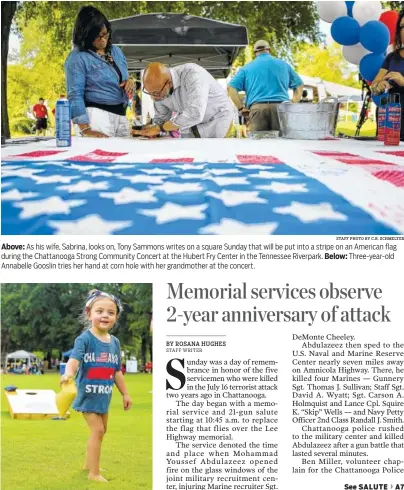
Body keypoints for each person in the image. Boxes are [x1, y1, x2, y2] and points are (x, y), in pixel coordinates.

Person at [60, 290, 132, 483]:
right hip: (88, 395)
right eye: (99, 311)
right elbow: (74, 361)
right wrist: (68, 373)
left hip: (104, 396)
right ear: (88, 314)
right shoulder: (85, 339)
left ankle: (89, 463)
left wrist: (125, 393)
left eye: (111, 312)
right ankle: (94, 473)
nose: (105, 315)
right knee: (97, 431)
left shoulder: (115, 342)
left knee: (101, 431)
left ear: (116, 317)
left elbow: (116, 371)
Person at [64, 6, 134, 138]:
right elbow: (75, 95)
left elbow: (124, 78)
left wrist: (130, 83)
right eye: (97, 37)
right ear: (86, 36)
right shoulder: (77, 58)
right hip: (96, 117)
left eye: (105, 34)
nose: (103, 39)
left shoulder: (116, 51)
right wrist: (85, 129)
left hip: (121, 114)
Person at [136, 62, 234, 138]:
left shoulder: (193, 74)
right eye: (149, 93)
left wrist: (160, 128)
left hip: (218, 120)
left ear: (168, 84)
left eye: (156, 93)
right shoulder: (159, 89)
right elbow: (161, 120)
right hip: (191, 128)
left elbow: (195, 113)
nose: (153, 98)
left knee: (213, 158)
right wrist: (150, 130)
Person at [227, 40, 304, 132]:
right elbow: (299, 84)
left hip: (257, 109)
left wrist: (241, 108)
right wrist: (294, 102)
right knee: (283, 143)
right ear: (269, 50)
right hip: (280, 109)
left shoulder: (246, 68)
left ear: (255, 52)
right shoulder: (284, 65)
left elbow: (230, 87)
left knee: (259, 144)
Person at [372, 10, 404, 140]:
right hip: (390, 122)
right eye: (402, 26)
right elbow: (374, 86)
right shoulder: (392, 57)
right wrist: (378, 87)